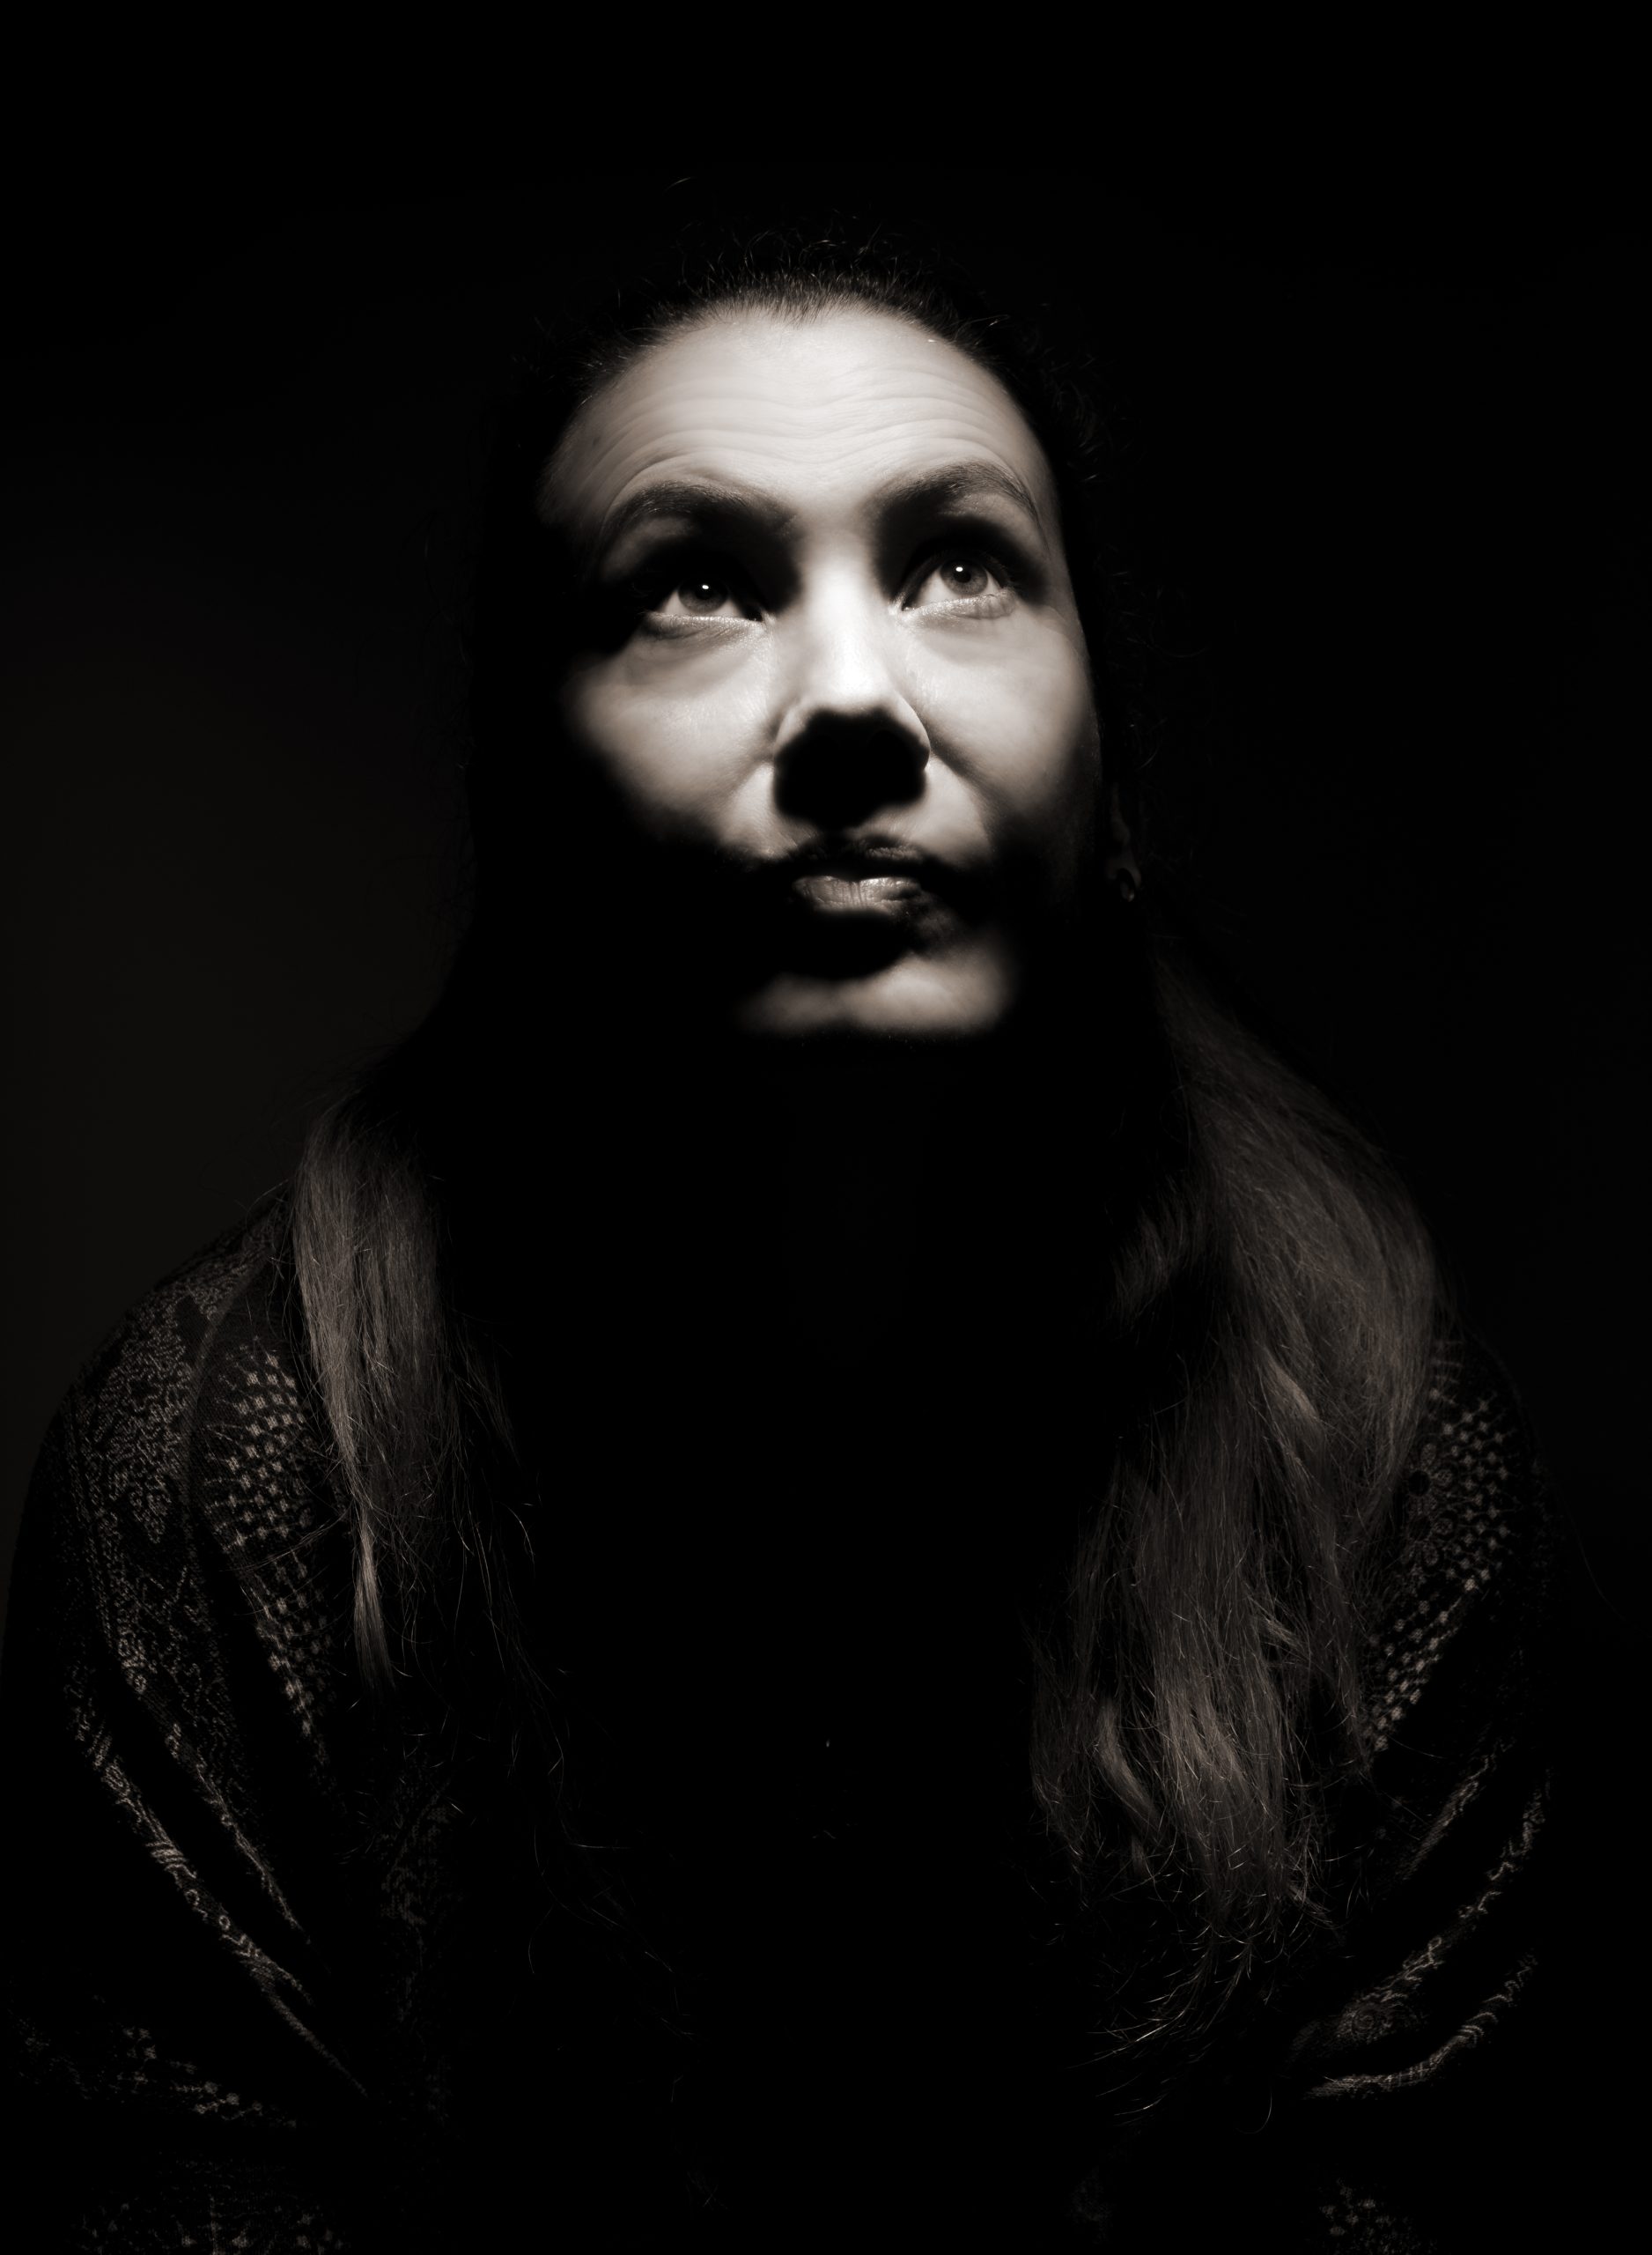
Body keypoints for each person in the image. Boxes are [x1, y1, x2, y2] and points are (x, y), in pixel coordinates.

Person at [2, 219, 1565, 2250]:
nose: (848, 698)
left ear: (1108, 773)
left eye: (959, 563)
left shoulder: (1365, 1452)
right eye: (696, 583)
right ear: (523, 788)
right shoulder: (217, 1483)